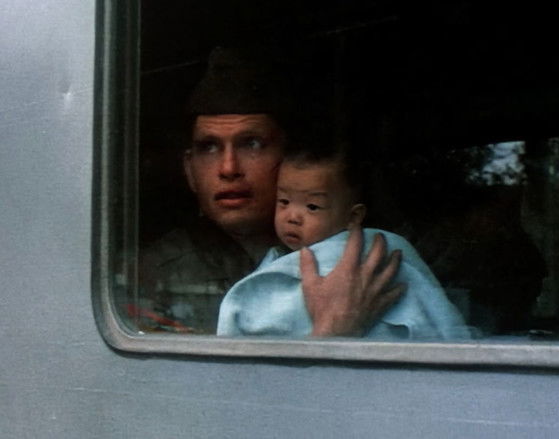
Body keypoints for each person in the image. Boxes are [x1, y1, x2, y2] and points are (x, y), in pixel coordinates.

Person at [137, 47, 403, 335]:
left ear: (291, 160)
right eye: (209, 147)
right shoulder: (154, 274)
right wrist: (335, 332)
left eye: (252, 144)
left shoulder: (362, 252)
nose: (228, 168)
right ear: (190, 170)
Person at [216, 142, 472, 339]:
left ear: (353, 217)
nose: (292, 217)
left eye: (312, 206)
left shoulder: (365, 252)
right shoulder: (279, 259)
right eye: (284, 201)